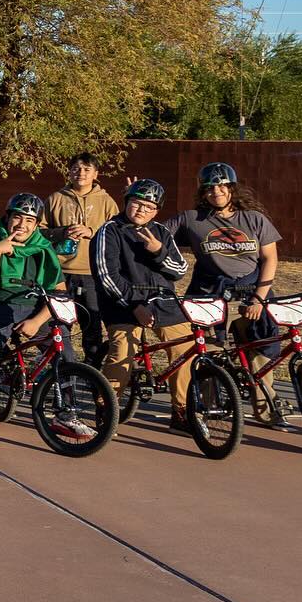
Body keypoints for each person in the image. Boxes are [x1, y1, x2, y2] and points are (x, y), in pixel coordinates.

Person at [172, 162, 286, 428]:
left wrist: (259, 297)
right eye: (210, 188)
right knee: (209, 352)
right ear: (203, 192)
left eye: (222, 186)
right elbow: (156, 234)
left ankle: (266, 407)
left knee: (263, 347)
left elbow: (270, 259)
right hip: (210, 293)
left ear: (232, 188)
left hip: (251, 292)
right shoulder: (191, 219)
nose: (216, 192)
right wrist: (134, 201)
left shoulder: (255, 219)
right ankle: (211, 410)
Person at [0, 194, 77, 438]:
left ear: (37, 225)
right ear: (7, 217)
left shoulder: (42, 248)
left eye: (29, 220)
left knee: (65, 348)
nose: (22, 225)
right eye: (17, 217)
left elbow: (59, 292)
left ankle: (66, 413)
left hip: (35, 307)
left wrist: (37, 321)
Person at [92, 179, 194, 430]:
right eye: (137, 203)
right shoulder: (110, 230)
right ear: (127, 202)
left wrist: (159, 251)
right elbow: (107, 275)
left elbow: (180, 270)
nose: (141, 210)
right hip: (124, 303)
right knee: (121, 356)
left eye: (149, 206)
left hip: (163, 301)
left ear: (157, 210)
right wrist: (134, 305)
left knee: (187, 349)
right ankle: (107, 410)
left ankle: (181, 411)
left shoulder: (161, 232)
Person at [43, 153, 119, 365]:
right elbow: (39, 231)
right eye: (76, 168)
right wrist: (61, 232)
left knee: (91, 326)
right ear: (69, 171)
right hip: (60, 273)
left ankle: (92, 373)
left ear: (96, 174)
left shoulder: (106, 202)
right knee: (59, 324)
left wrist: (91, 231)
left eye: (87, 169)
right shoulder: (56, 198)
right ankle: (62, 373)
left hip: (91, 274)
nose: (81, 173)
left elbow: (116, 234)